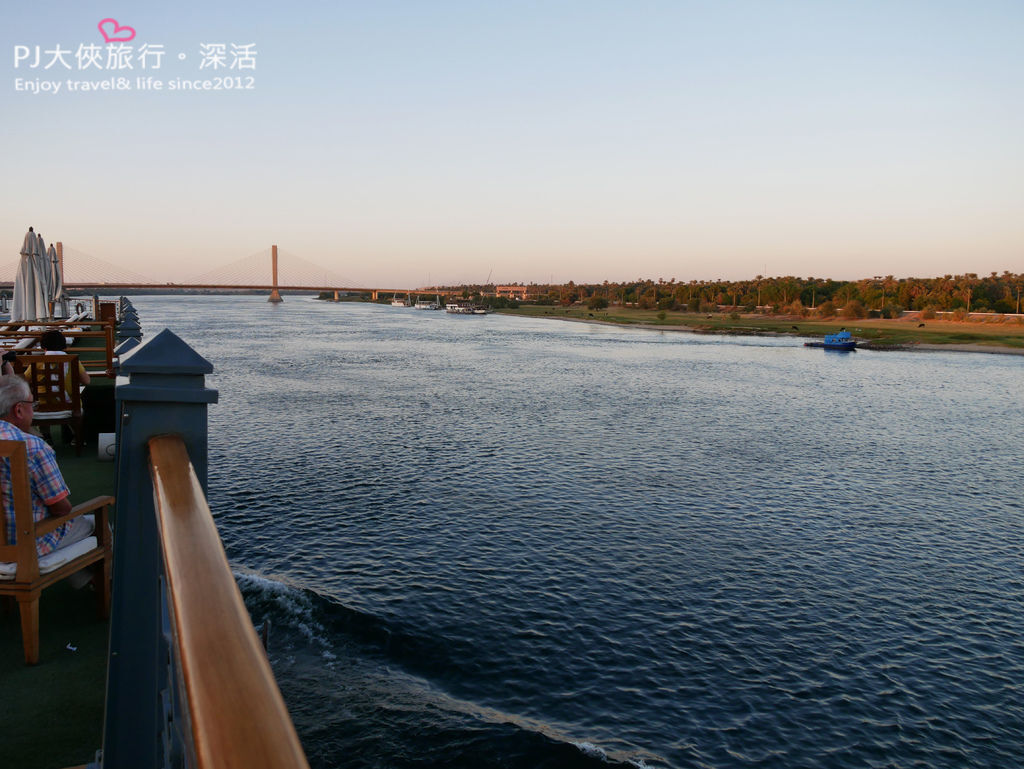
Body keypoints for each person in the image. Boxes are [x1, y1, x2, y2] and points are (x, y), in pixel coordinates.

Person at [0, 375, 92, 556]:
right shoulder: (32, 447)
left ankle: (88, 581)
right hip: (24, 544)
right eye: (32, 405)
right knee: (96, 525)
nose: (33, 411)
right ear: (18, 410)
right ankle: (104, 582)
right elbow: (61, 508)